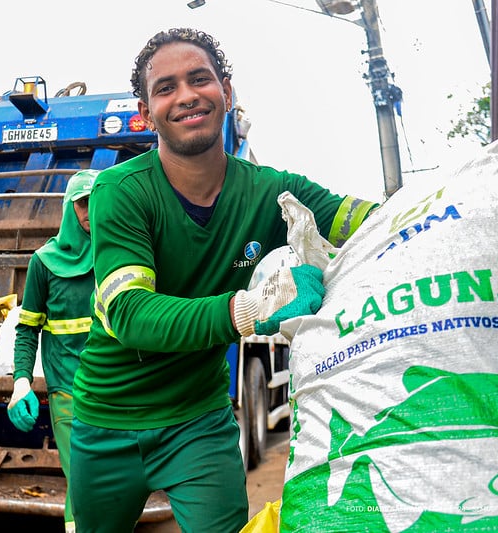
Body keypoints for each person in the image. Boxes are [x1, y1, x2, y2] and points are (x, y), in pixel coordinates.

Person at [68, 28, 379, 533]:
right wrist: (254, 308)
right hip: (107, 423)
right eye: (165, 88)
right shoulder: (120, 191)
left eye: (199, 79)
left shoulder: (272, 192)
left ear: (226, 92)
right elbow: (130, 313)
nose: (187, 95)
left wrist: (457, 208)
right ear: (145, 113)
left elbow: (371, 222)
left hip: (199, 421)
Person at [6, 169, 98, 533]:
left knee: (112, 480)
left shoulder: (118, 253)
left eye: (96, 201)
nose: (90, 210)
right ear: (68, 208)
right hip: (67, 391)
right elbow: (27, 329)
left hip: (114, 386)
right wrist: (21, 383)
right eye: (82, 203)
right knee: (82, 475)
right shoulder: (43, 263)